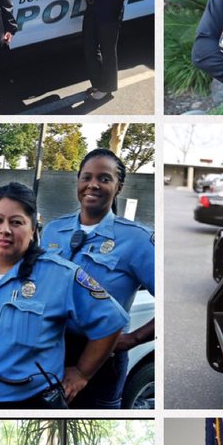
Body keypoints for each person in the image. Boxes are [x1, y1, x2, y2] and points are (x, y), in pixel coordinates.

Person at [0, 182, 128, 408]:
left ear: (33, 230)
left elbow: (110, 323)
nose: (5, 230)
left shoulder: (61, 275)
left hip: (28, 406)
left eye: (16, 222)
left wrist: (81, 373)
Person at [41, 147, 155, 409]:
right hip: (50, 351)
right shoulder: (54, 230)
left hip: (102, 355)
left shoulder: (135, 239)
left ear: (119, 187)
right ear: (78, 181)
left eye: (104, 178)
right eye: (86, 177)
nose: (93, 185)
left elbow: (171, 302)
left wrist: (134, 338)